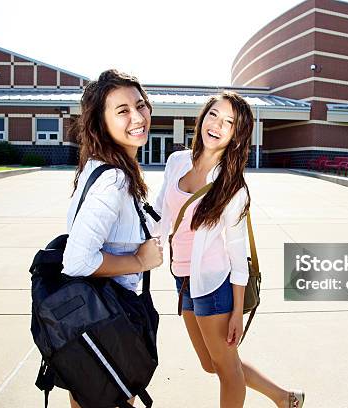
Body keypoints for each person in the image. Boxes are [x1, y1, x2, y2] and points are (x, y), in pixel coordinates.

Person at [154, 91, 305, 408]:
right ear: (203, 118)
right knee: (212, 363)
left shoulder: (232, 186)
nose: (217, 125)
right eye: (214, 115)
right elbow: (159, 214)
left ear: (237, 134)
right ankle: (284, 397)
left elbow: (239, 258)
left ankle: (284, 398)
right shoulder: (177, 161)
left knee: (226, 369)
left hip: (214, 284)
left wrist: (237, 312)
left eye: (229, 122)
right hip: (182, 280)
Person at [62, 69, 163, 408]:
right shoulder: (113, 180)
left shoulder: (100, 167)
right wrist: (139, 261)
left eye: (141, 105)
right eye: (122, 111)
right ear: (101, 122)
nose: (138, 117)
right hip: (107, 321)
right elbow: (77, 261)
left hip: (94, 320)